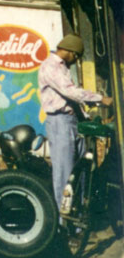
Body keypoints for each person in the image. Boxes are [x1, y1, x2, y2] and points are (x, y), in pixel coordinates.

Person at [37, 33, 113, 210]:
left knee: (79, 171)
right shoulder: (51, 66)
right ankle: (63, 223)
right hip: (60, 122)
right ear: (71, 52)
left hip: (70, 121)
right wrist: (101, 99)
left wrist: (85, 116)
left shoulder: (62, 67)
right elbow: (70, 92)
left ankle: (76, 218)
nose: (75, 60)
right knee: (65, 174)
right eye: (76, 56)